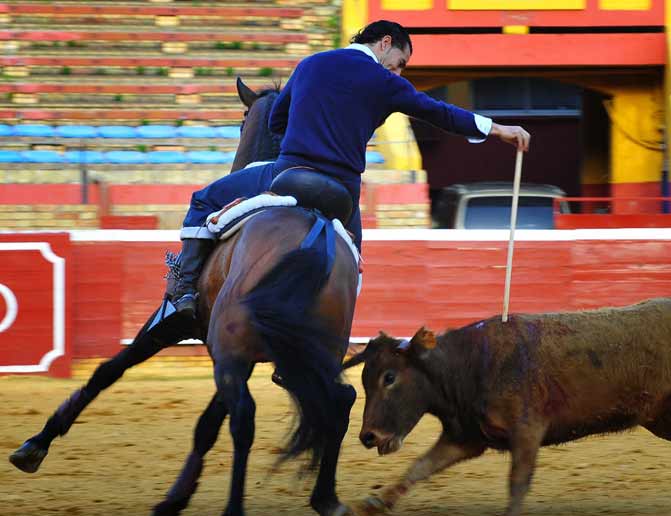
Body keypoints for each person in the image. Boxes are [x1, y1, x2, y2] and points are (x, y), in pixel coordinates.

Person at [173, 20, 531, 316]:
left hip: (287, 175)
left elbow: (276, 121)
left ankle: (185, 291)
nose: (399, 69)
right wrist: (497, 129)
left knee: (204, 200)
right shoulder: (387, 83)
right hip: (343, 195)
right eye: (401, 61)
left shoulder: (310, 64)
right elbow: (440, 113)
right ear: (385, 43)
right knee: (353, 264)